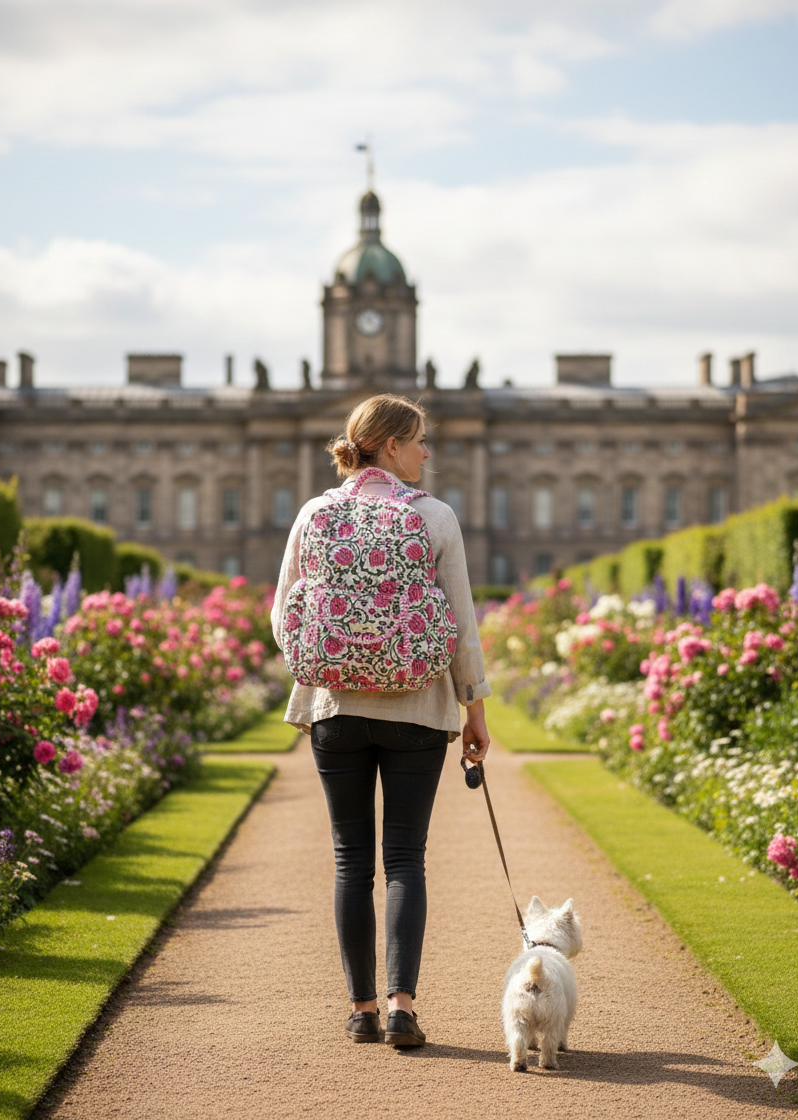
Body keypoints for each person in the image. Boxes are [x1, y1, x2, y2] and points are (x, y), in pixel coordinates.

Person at [271, 393, 491, 1047]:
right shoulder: (434, 517)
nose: (428, 451)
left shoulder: (315, 513)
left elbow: (283, 610)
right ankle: (401, 1007)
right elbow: (462, 625)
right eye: (420, 439)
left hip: (334, 708)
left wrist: (318, 660)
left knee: (349, 863)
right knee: (403, 860)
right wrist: (474, 709)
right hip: (418, 709)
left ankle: (362, 1009)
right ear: (391, 446)